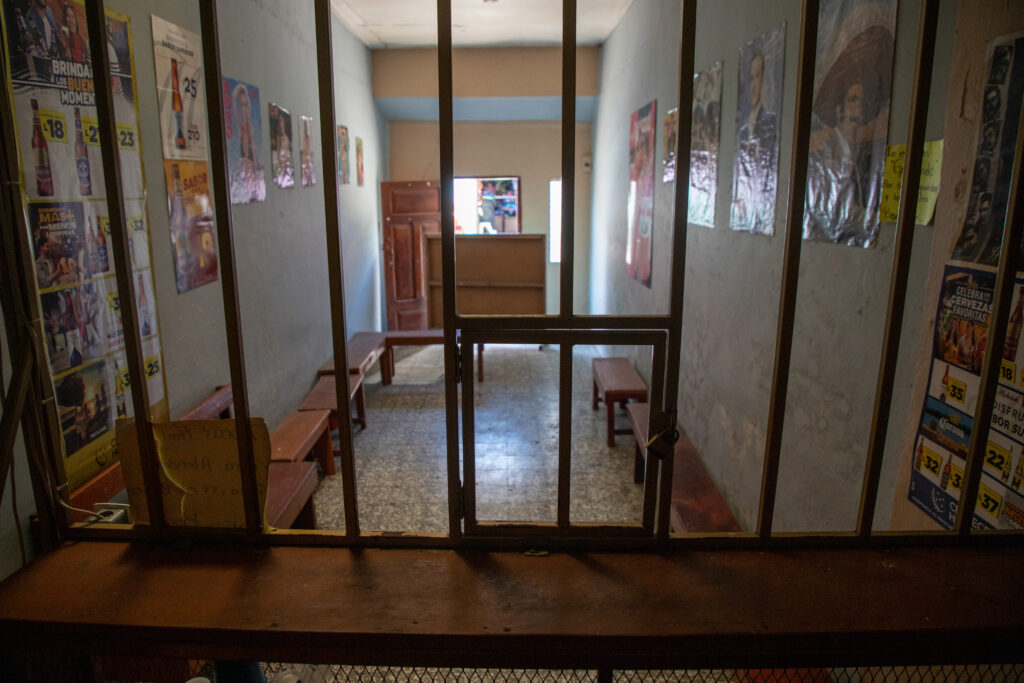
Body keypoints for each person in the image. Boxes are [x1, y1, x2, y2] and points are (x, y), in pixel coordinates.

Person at [731, 51, 778, 233]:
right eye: (750, 78)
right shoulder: (742, 131)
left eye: (757, 76)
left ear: (764, 80)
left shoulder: (770, 122)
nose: (753, 85)